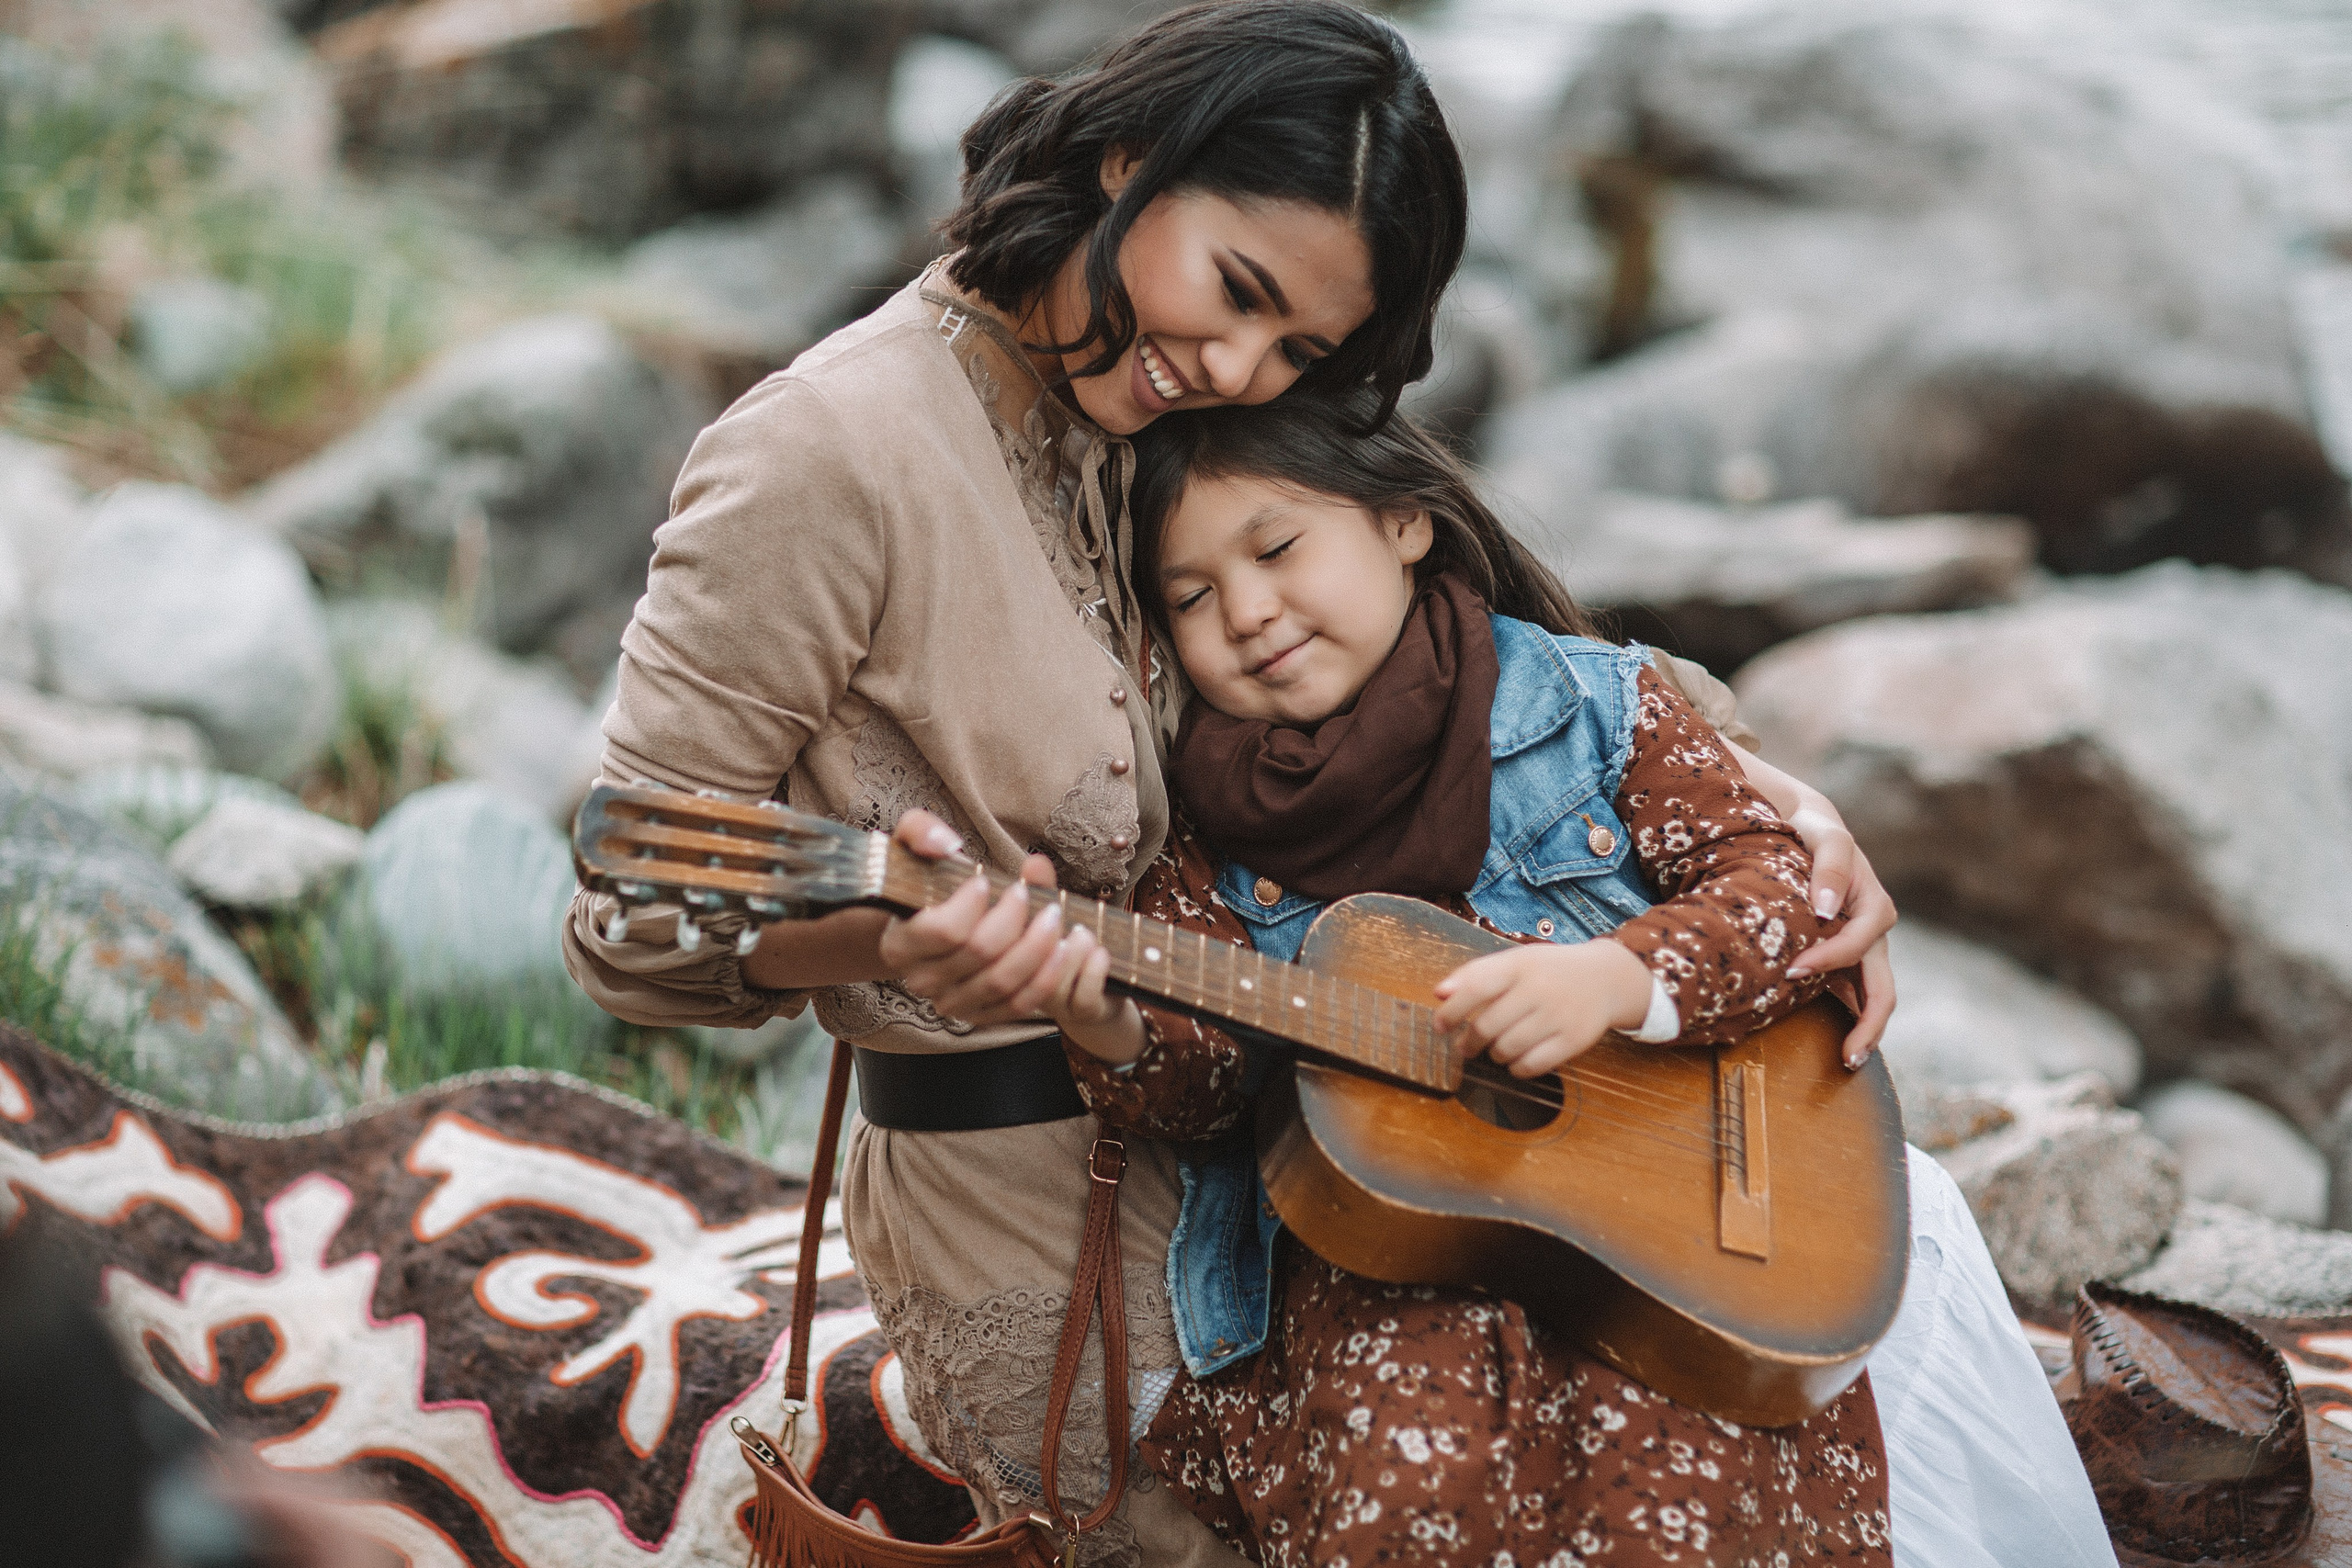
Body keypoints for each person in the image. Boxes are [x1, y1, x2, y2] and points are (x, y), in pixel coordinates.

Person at [565, 2, 1892, 1562]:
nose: (1239, 364)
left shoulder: (1176, 404)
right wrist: (886, 944)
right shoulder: (824, 458)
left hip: (1367, 1137)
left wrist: (1784, 812)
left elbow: (1480, 656)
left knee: (1724, 1402)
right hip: (1043, 1202)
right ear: (1132, 154)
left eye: (1300, 350)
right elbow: (624, 932)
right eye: (1242, 293)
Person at [892, 397, 2116, 1565]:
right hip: (1375, 1274)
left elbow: (1780, 888)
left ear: (1402, 519)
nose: (1248, 611)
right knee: (1406, 1491)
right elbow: (1196, 1087)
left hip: (1672, 1239)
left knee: (1678, 1484)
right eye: (1193, 598)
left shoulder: (1592, 704)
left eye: (1276, 549)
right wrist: (1090, 1007)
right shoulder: (1192, 836)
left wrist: (1617, 982)